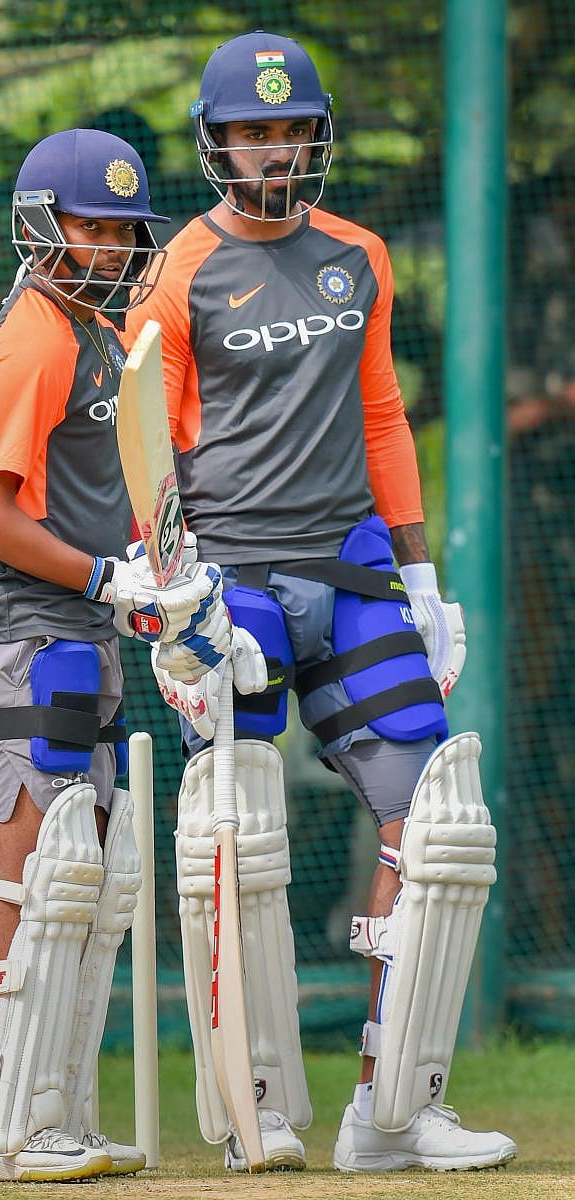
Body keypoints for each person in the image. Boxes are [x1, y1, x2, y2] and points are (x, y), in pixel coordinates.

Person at [125, 32, 517, 1174]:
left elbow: (383, 414)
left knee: (436, 818)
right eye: (251, 130)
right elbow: (145, 443)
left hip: (349, 570)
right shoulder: (180, 269)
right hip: (229, 578)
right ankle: (258, 1102)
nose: (273, 147)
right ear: (216, 143)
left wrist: (424, 575)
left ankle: (392, 1108)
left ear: (315, 133)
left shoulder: (358, 255)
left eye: (289, 127)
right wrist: (171, 598)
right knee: (230, 816)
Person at [0, 127, 231, 1182]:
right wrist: (111, 582)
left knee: (91, 869)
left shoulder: (104, 338)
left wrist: (172, 594)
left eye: (121, 229)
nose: (108, 246)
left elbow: (133, 497)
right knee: (34, 859)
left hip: (77, 625)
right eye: (89, 226)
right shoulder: (38, 340)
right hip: (13, 628)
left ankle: (49, 1106)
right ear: (40, 228)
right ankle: (1, 1115)